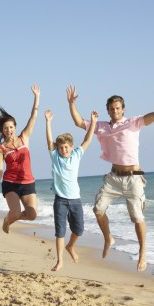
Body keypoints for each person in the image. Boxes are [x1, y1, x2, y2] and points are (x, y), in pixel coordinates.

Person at [66, 85, 154, 272]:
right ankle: (108, 237)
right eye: (111, 108)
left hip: (134, 179)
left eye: (118, 108)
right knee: (98, 209)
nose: (115, 111)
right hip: (113, 178)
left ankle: (142, 251)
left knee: (137, 217)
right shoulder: (101, 127)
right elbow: (79, 122)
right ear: (108, 111)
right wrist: (71, 104)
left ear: (123, 109)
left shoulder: (134, 122)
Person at [45, 108, 98, 271]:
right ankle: (60, 261)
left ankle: (71, 246)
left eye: (66, 147)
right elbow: (49, 142)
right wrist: (48, 122)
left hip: (75, 200)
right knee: (59, 232)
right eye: (61, 148)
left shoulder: (76, 155)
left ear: (71, 146)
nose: (64, 150)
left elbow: (87, 140)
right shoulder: (55, 157)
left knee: (79, 229)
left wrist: (93, 123)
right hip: (60, 200)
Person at [0, 84, 40, 234]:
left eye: (11, 127)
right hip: (10, 183)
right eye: (5, 128)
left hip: (28, 182)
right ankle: (8, 219)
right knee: (16, 211)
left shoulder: (24, 137)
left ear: (15, 127)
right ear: (2, 131)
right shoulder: (1, 148)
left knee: (32, 215)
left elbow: (34, 116)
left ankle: (11, 219)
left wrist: (36, 97)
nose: (9, 130)